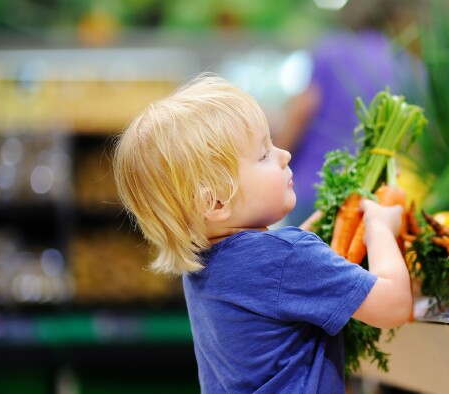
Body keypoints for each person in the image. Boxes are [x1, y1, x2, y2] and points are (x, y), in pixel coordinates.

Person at [112, 73, 412, 393]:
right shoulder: (286, 257)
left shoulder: (204, 263)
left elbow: (276, 276)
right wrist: (379, 228)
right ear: (215, 202)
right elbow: (393, 306)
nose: (284, 156)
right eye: (264, 155)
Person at [274, 0, 425, 226]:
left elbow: (301, 113)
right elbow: (413, 144)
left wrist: (272, 162)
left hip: (312, 188)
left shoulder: (333, 49)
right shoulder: (410, 66)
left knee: (300, 254)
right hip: (373, 198)